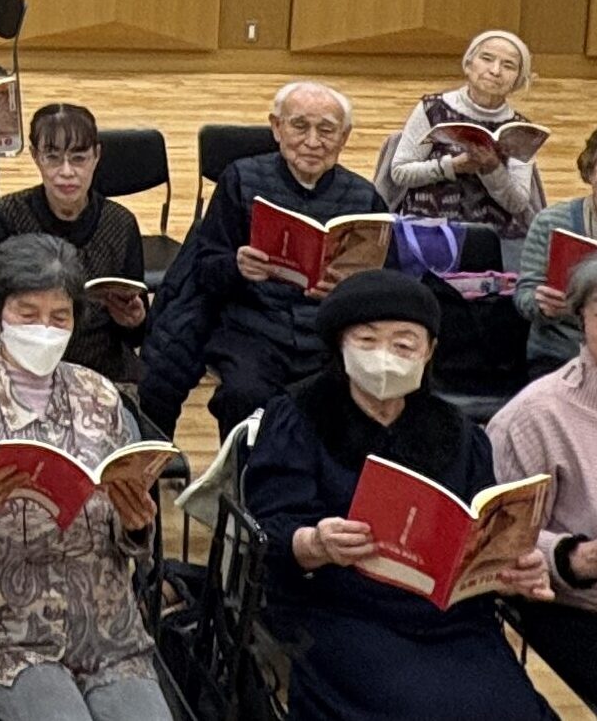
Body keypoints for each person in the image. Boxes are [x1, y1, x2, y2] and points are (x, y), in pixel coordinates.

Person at [242, 269, 556, 720]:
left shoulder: (458, 433)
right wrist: (314, 542)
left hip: (453, 621)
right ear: (340, 347)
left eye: (404, 345)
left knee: (516, 712)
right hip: (342, 610)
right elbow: (267, 529)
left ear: (429, 351)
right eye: (367, 341)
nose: (385, 358)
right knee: (413, 707)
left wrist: (510, 568)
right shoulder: (300, 417)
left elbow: (483, 529)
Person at [0, 234, 171, 721]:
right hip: (3, 627)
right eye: (28, 315)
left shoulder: (99, 394)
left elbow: (131, 541)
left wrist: (136, 523)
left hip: (104, 625)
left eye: (59, 317)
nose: (44, 330)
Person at [193, 81, 387, 437]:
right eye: (299, 126)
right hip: (254, 328)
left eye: (326, 130)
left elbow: (385, 283)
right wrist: (237, 266)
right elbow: (205, 267)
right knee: (243, 393)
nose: (312, 142)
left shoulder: (364, 198)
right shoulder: (241, 179)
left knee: (349, 398)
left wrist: (349, 292)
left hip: (328, 334)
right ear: (276, 128)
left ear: (344, 138)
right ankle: (243, 472)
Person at [0, 104, 145, 393]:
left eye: (79, 158)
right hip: (18, 369)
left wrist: (134, 321)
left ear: (96, 156)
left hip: (99, 370)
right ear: (35, 157)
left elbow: (136, 333)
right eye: (52, 158)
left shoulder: (121, 223)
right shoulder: (8, 215)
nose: (66, 172)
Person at [489, 255, 597, 706]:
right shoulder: (533, 417)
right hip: (575, 608)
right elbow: (497, 540)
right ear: (581, 319)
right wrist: (576, 558)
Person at [389, 30, 541, 238]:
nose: (495, 71)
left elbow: (518, 204)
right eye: (486, 59)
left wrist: (493, 169)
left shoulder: (520, 130)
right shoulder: (433, 109)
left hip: (491, 235)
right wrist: (451, 166)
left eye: (508, 66)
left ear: (518, 79)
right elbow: (400, 173)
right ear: (468, 65)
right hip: (426, 228)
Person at [514, 129, 597, 377]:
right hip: (561, 353)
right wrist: (543, 306)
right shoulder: (551, 221)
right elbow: (524, 295)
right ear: (590, 171)